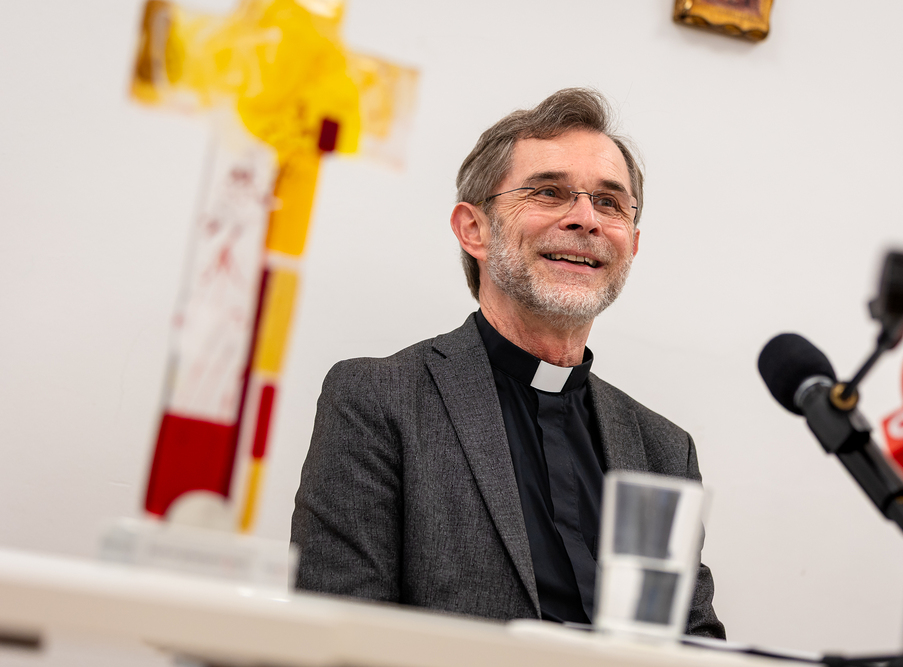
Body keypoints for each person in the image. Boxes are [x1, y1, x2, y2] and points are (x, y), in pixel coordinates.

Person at [291, 88, 725, 638]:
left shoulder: (663, 451)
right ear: (474, 229)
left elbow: (692, 645)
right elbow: (336, 636)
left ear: (632, 245)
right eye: (549, 192)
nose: (586, 219)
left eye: (610, 203)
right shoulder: (379, 401)